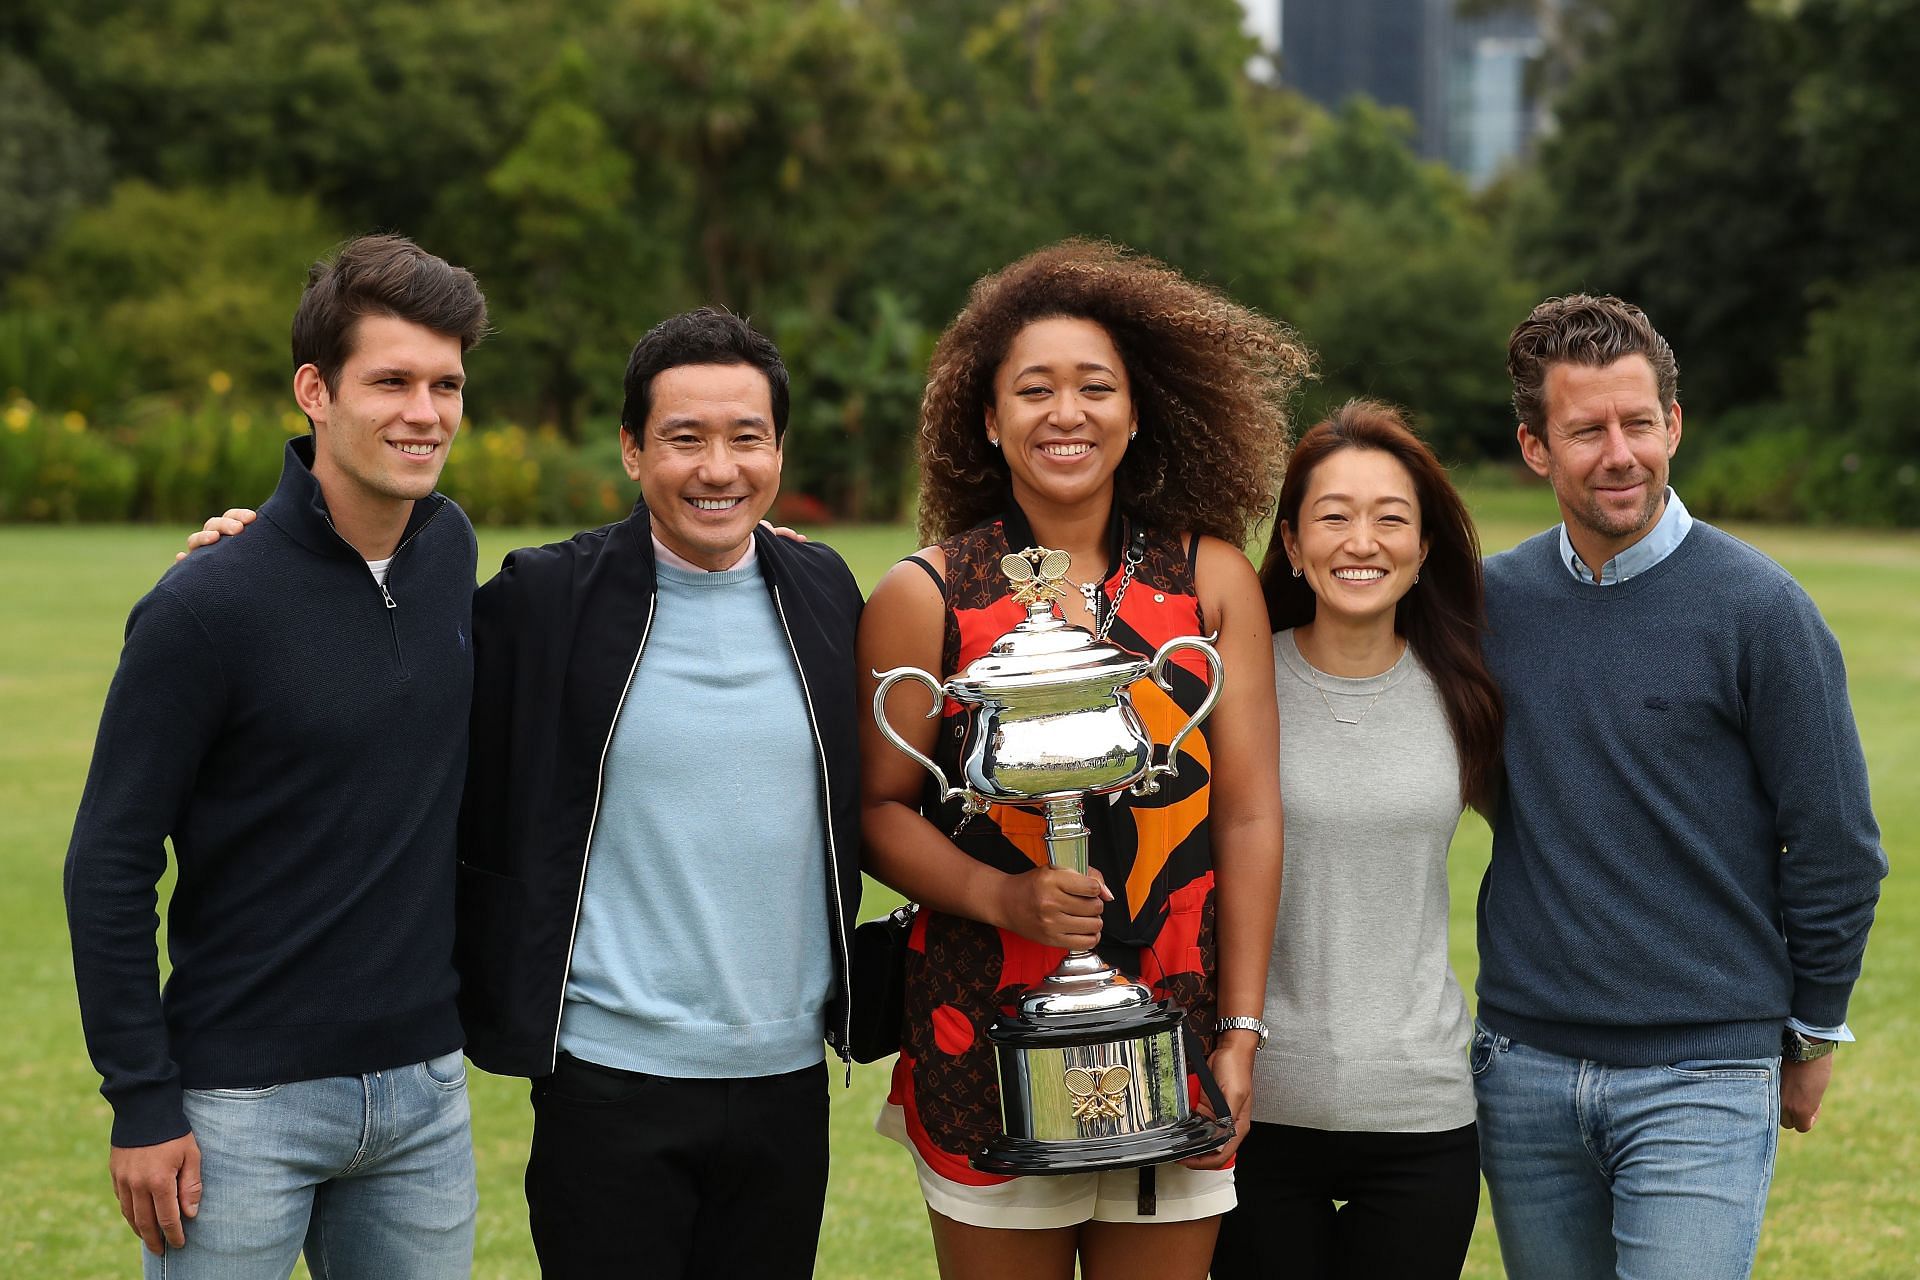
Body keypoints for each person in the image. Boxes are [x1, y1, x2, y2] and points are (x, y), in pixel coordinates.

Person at [859, 240, 1302, 1280]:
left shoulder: (1212, 581)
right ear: (987, 417)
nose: (1067, 413)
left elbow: (1245, 817)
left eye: (1095, 387)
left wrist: (1238, 1028)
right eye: (1034, 389)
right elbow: (876, 810)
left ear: (1137, 410)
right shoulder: (926, 595)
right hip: (985, 1021)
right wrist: (1000, 897)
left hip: (1178, 1019)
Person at [64, 234, 489, 1275]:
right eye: (390, 380)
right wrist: (141, 1101)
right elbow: (109, 864)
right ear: (315, 389)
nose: (424, 412)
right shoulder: (204, 606)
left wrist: (753, 551)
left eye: (446, 384)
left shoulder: (451, 549)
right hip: (237, 1111)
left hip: (426, 1096)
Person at [1472, 294, 1887, 1279]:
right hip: (1523, 1068)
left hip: (1704, 1071)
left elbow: (1835, 843)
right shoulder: (1491, 605)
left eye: (1639, 422)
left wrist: (1814, 1026)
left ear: (1674, 424)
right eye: (1586, 430)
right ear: (1536, 448)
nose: (1620, 453)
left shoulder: (1762, 610)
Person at [453, 307, 864, 1278]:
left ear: (777, 450)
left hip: (785, 1082)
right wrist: (272, 542)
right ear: (634, 451)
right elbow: (390, 652)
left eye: (745, 438)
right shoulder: (544, 599)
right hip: (607, 1082)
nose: (717, 468)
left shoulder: (825, 591)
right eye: (685, 438)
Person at [1211, 401, 1503, 1279]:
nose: (1362, 541)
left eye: (1391, 518)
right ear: (1294, 546)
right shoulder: (1229, 685)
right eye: (1333, 516)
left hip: (1420, 1111)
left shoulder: (1470, 696)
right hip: (1256, 1103)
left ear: (1422, 551)